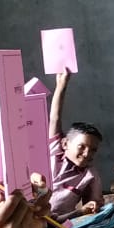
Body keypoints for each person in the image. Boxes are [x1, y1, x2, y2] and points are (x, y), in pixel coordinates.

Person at [46, 68, 104, 219]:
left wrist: (93, 205)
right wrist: (61, 85)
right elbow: (55, 118)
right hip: (31, 217)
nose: (87, 154)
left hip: (59, 224)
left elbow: (94, 205)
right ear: (65, 143)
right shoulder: (54, 150)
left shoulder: (89, 175)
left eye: (93, 150)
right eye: (81, 147)